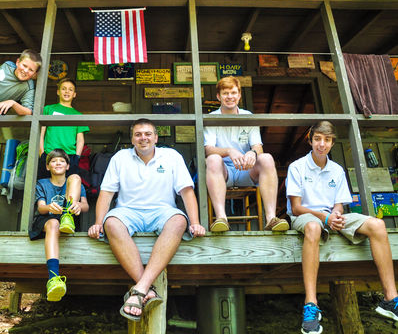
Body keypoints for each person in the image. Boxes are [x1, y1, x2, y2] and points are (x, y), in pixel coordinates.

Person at [88, 118, 206, 322]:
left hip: (162, 211)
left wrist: (194, 222)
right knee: (111, 223)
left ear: (156, 137)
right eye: (138, 134)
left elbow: (186, 192)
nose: (143, 138)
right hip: (127, 211)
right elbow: (106, 193)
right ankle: (147, 289)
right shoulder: (120, 157)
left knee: (179, 221)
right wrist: (99, 222)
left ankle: (140, 289)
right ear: (132, 139)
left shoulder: (171, 156)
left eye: (148, 134)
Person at [286, 121, 398, 334]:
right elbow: (297, 207)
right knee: (313, 227)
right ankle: (311, 305)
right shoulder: (297, 166)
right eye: (318, 139)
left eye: (327, 140)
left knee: (377, 225)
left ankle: (390, 299)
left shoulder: (336, 170)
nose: (322, 144)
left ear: (332, 143)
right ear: (310, 140)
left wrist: (335, 215)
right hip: (307, 216)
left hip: (331, 216)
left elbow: (339, 203)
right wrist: (325, 218)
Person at [204, 76, 289, 232]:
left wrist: (252, 153)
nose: (230, 96)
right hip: (224, 172)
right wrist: (229, 151)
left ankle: (271, 218)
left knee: (266, 158)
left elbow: (258, 147)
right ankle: (221, 218)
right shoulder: (211, 118)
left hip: (245, 169)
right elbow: (208, 149)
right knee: (213, 159)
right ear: (218, 96)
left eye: (233, 92)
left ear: (239, 95)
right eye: (225, 93)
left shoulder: (248, 116)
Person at [29, 149, 89, 302]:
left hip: (68, 221)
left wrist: (78, 206)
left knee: (76, 178)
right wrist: (49, 207)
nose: (58, 163)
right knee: (54, 223)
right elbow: (41, 207)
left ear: (67, 166)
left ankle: (67, 217)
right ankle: (54, 278)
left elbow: (86, 206)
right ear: (48, 166)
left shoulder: (74, 181)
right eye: (54, 161)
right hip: (47, 219)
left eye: (62, 161)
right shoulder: (42, 183)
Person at [38, 78, 89, 180]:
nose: (67, 91)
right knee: (45, 184)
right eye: (64, 89)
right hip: (49, 153)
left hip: (69, 155)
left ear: (74, 94)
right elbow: (41, 132)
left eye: (70, 89)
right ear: (58, 92)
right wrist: (42, 153)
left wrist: (77, 157)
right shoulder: (48, 109)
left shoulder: (78, 115)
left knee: (69, 185)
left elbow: (80, 139)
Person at [0, 49, 42, 115]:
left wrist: (12, 103)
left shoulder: (28, 87)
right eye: (24, 66)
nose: (25, 70)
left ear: (34, 74)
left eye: (31, 70)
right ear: (17, 62)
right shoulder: (7, 66)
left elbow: (28, 112)